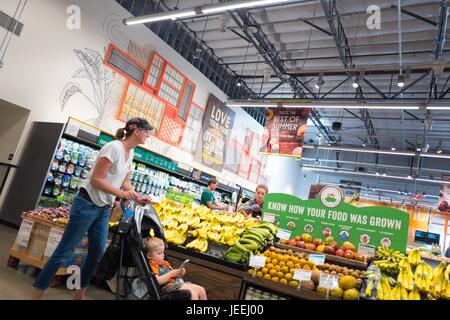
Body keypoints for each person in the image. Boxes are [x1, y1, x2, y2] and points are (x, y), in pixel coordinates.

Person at [32, 118, 154, 300]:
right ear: (136, 130)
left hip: (103, 209)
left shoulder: (131, 152)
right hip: (86, 204)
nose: (149, 135)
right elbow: (96, 179)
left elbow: (125, 181)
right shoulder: (114, 148)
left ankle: (79, 294)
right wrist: (121, 193)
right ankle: (37, 293)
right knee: (65, 250)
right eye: (147, 131)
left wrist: (136, 195)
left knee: (97, 253)